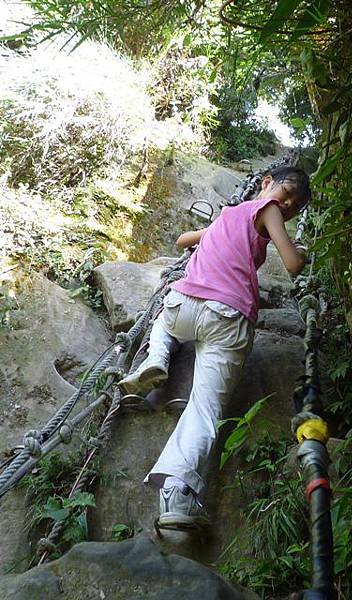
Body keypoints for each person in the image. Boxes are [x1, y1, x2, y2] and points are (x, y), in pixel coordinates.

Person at [118, 166, 311, 530]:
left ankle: (156, 357)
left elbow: (182, 241)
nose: (286, 205)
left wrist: (207, 236)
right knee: (204, 409)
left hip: (183, 306)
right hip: (227, 316)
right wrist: (301, 251)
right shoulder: (267, 210)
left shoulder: (226, 215)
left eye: (294, 205)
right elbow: (293, 264)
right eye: (286, 193)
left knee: (163, 319)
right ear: (266, 183)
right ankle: (175, 494)